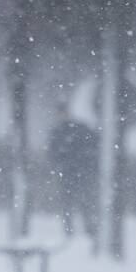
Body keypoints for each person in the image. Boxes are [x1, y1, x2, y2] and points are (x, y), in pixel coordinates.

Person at [46, 103, 101, 254]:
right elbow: (52, 152)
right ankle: (70, 229)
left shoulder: (77, 129)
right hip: (68, 173)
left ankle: (88, 228)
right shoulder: (59, 132)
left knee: (84, 202)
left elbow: (92, 145)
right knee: (68, 203)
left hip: (80, 172)